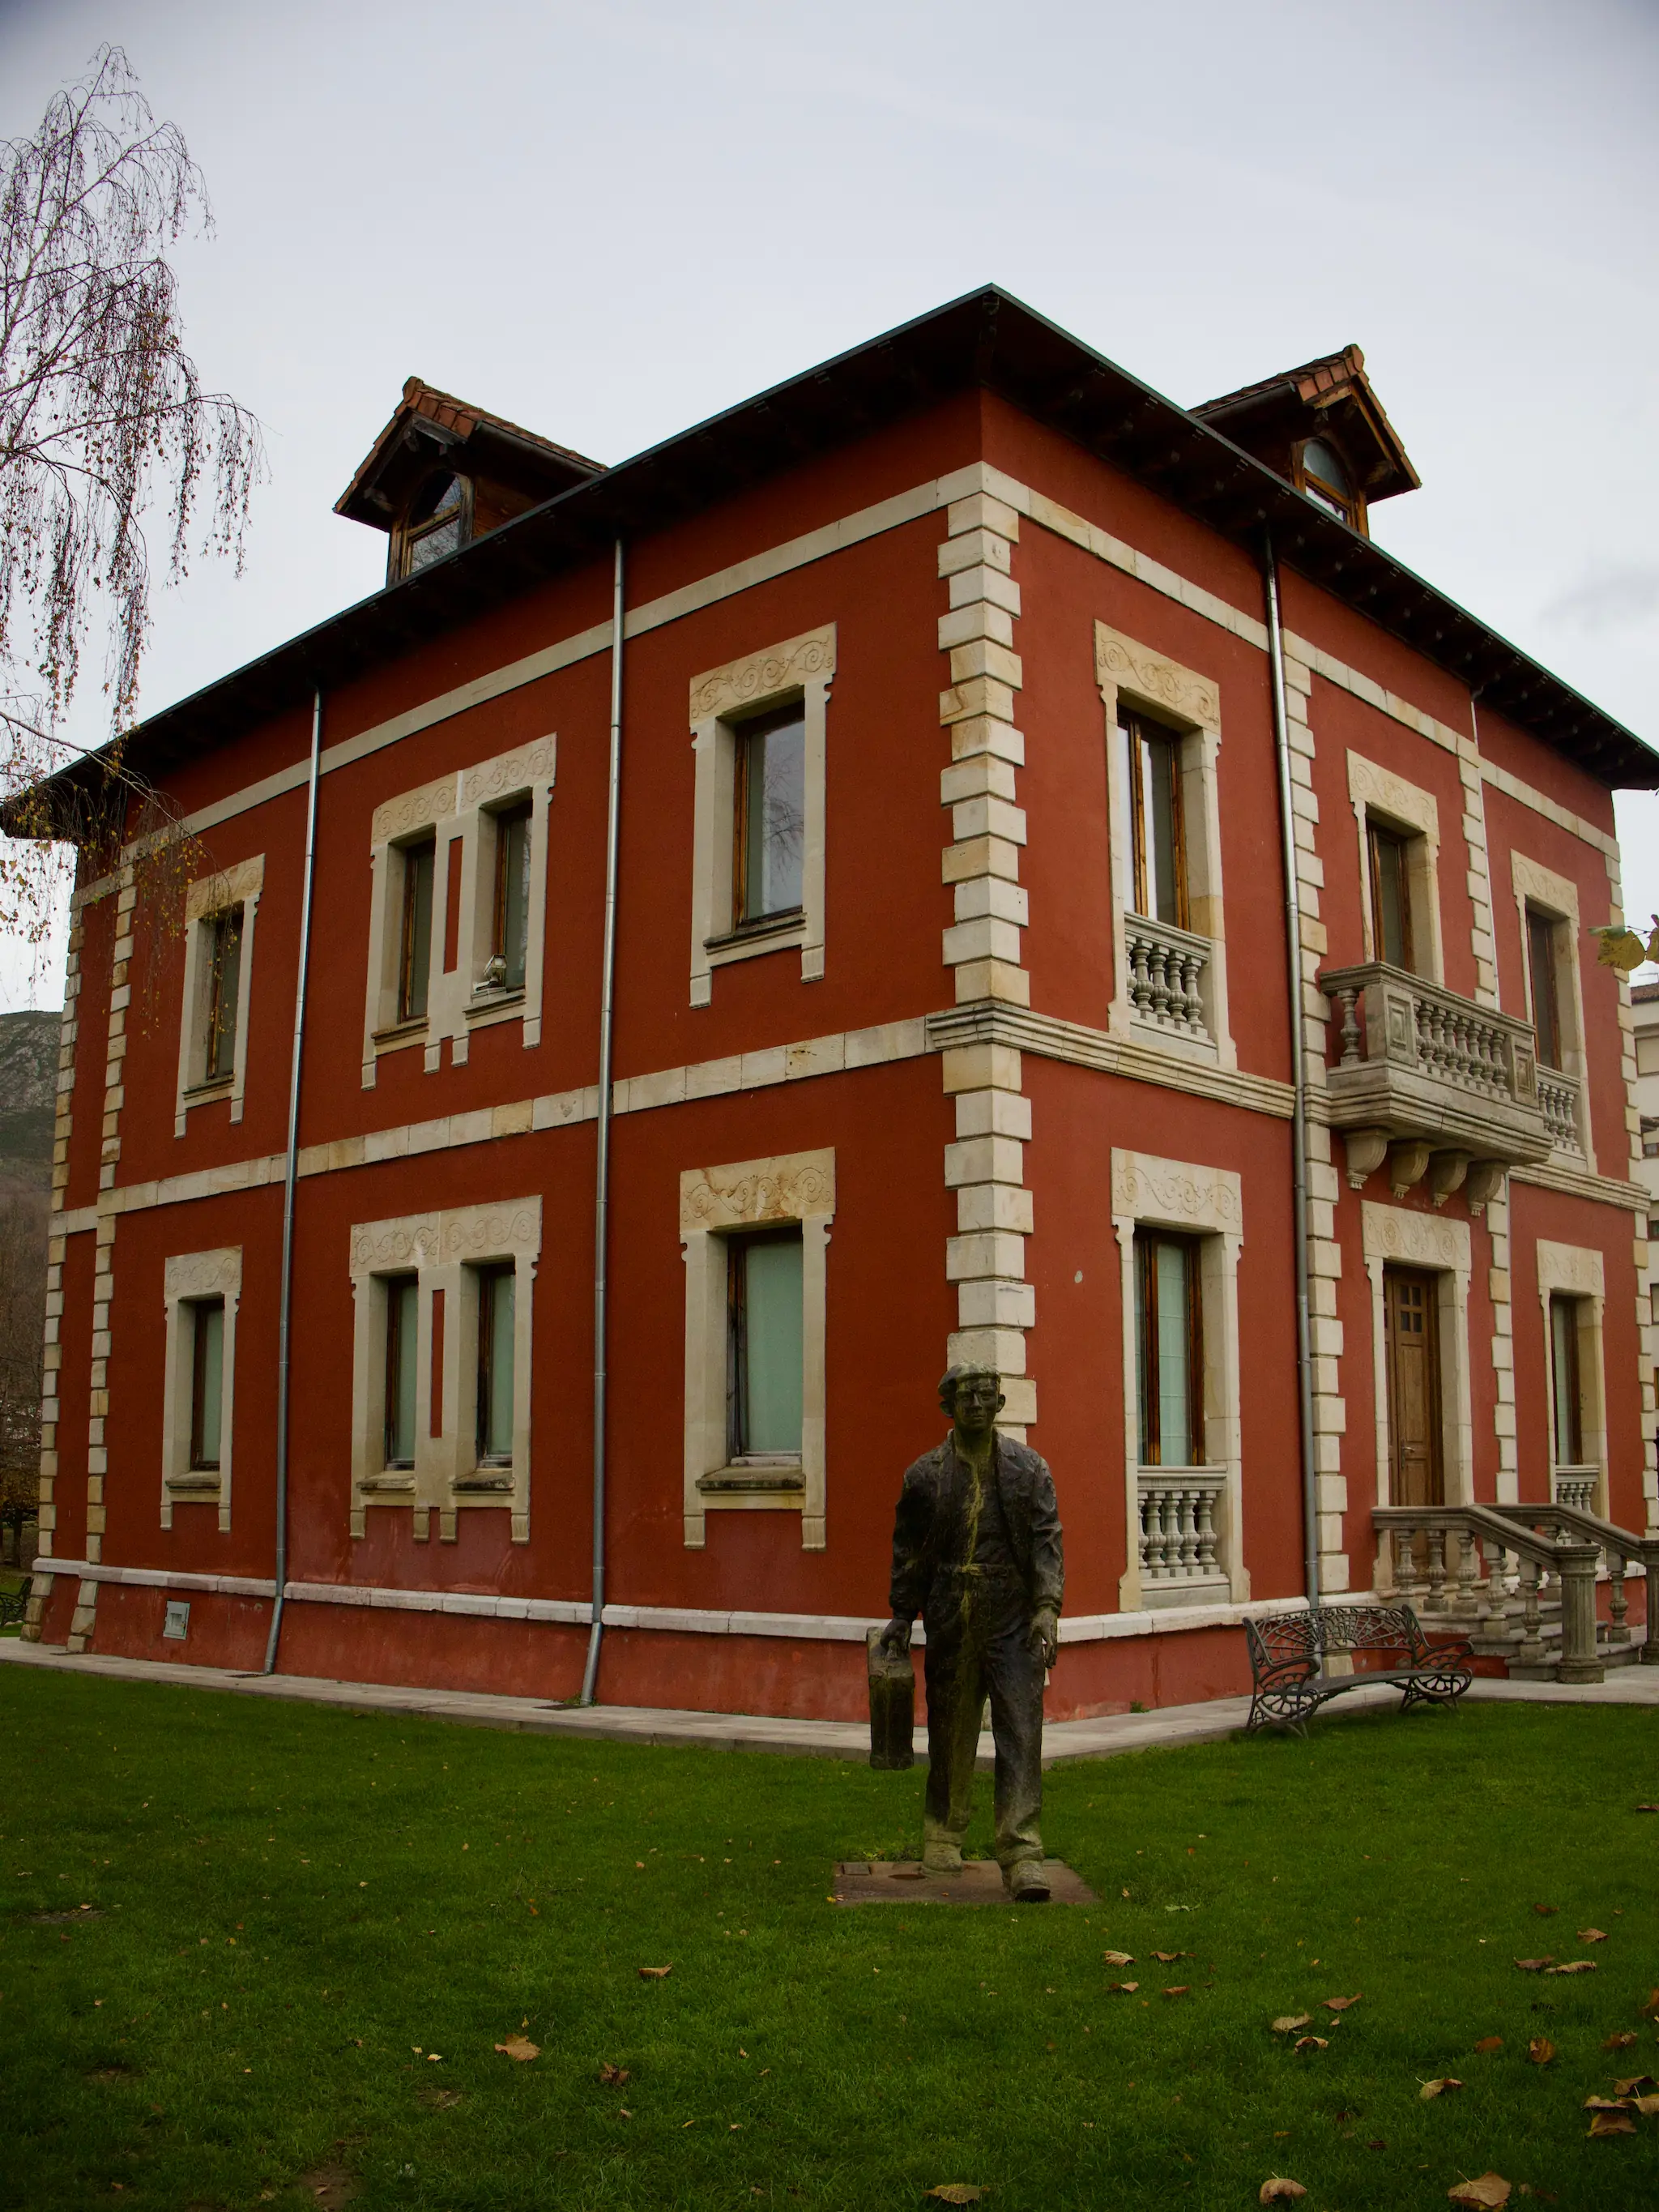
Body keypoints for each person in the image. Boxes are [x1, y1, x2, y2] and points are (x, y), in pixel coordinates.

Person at [878, 1364, 1064, 1900]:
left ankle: (1022, 1850)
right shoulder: (924, 1476)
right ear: (948, 1406)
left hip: (1012, 1618)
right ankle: (944, 1832)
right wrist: (901, 1615)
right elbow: (908, 1554)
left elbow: (1048, 1542)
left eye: (987, 1395)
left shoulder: (1030, 1470)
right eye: (968, 1396)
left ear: (1000, 1403)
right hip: (951, 1613)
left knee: (1021, 1732)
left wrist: (1047, 1609)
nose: (978, 1404)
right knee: (950, 1728)